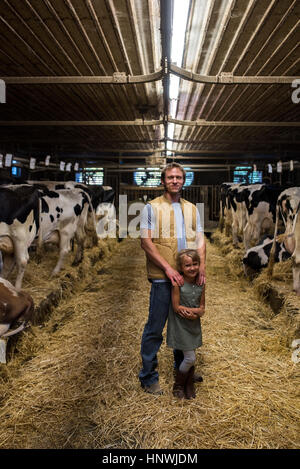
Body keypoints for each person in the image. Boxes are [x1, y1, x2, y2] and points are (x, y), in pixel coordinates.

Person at [139, 163, 206, 395]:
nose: (175, 181)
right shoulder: (152, 207)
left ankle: (183, 369)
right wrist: (168, 269)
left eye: (179, 177)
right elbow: (146, 242)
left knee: (183, 324)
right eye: (170, 177)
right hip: (162, 277)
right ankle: (148, 376)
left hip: (186, 278)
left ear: (184, 181)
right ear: (163, 181)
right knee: (155, 328)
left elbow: (200, 239)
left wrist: (202, 268)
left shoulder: (192, 209)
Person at [167, 249, 205, 399]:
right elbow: (176, 307)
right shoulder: (178, 284)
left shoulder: (201, 284)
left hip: (193, 325)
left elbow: (202, 307)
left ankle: (189, 384)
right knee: (190, 358)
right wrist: (194, 311)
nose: (192, 268)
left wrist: (198, 312)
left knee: (190, 355)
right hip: (181, 325)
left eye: (195, 264)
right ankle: (179, 385)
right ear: (181, 268)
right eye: (188, 265)